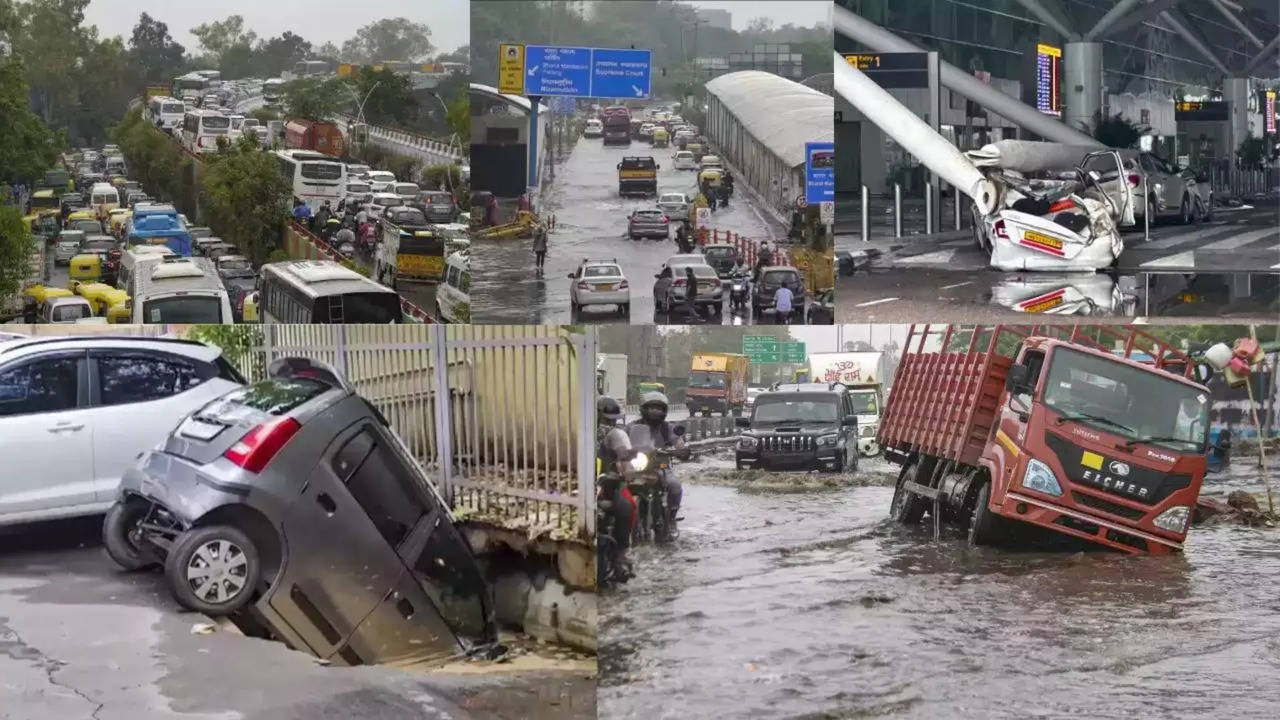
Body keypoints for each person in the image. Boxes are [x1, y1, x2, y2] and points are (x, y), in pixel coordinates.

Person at [629, 392, 685, 531]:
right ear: (644, 409)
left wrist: (680, 446)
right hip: (637, 467)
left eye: (659, 408)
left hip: (662, 466)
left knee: (674, 486)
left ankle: (671, 518)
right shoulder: (632, 426)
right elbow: (621, 440)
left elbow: (677, 440)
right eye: (652, 408)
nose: (655, 411)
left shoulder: (667, 428)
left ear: (664, 411)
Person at [596, 396, 637, 582]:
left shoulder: (616, 435)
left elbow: (624, 454)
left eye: (612, 420)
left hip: (608, 482)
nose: (609, 424)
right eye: (605, 420)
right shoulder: (576, 430)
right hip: (578, 481)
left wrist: (624, 464)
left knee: (627, 504)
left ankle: (623, 554)